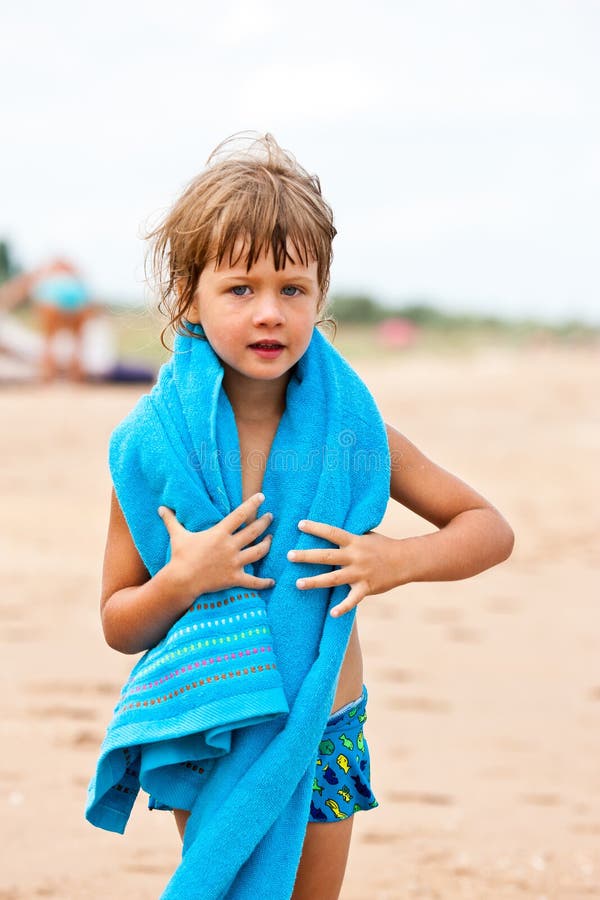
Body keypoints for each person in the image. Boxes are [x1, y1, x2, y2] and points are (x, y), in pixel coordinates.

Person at [87, 134, 514, 900]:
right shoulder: (155, 449)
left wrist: (396, 560)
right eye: (240, 288)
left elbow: (488, 529)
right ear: (188, 294)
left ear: (321, 296)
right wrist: (183, 580)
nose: (269, 312)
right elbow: (119, 622)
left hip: (325, 728)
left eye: (293, 288)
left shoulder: (353, 435)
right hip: (215, 722)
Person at [30, 258, 93, 381]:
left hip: (52, 300)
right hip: (78, 300)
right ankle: (77, 376)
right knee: (78, 343)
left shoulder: (49, 276)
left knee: (48, 341)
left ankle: (47, 375)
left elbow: (38, 296)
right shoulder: (74, 276)